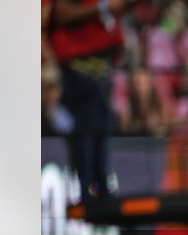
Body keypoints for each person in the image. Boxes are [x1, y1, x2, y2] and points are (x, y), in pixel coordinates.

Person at [43, 0, 126, 199]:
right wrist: (104, 8)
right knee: (86, 126)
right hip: (75, 67)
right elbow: (59, 15)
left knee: (102, 123)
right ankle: (87, 188)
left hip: (102, 68)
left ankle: (99, 184)